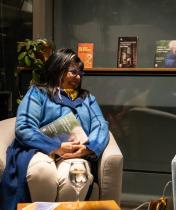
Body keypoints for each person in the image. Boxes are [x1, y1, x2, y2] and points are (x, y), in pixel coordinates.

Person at [0, 48, 109, 210]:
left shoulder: (87, 99)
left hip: (75, 154)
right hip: (39, 150)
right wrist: (56, 147)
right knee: (43, 173)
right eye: (73, 72)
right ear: (58, 69)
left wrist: (87, 149)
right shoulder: (38, 93)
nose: (78, 77)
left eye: (81, 73)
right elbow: (24, 126)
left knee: (74, 177)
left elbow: (101, 126)